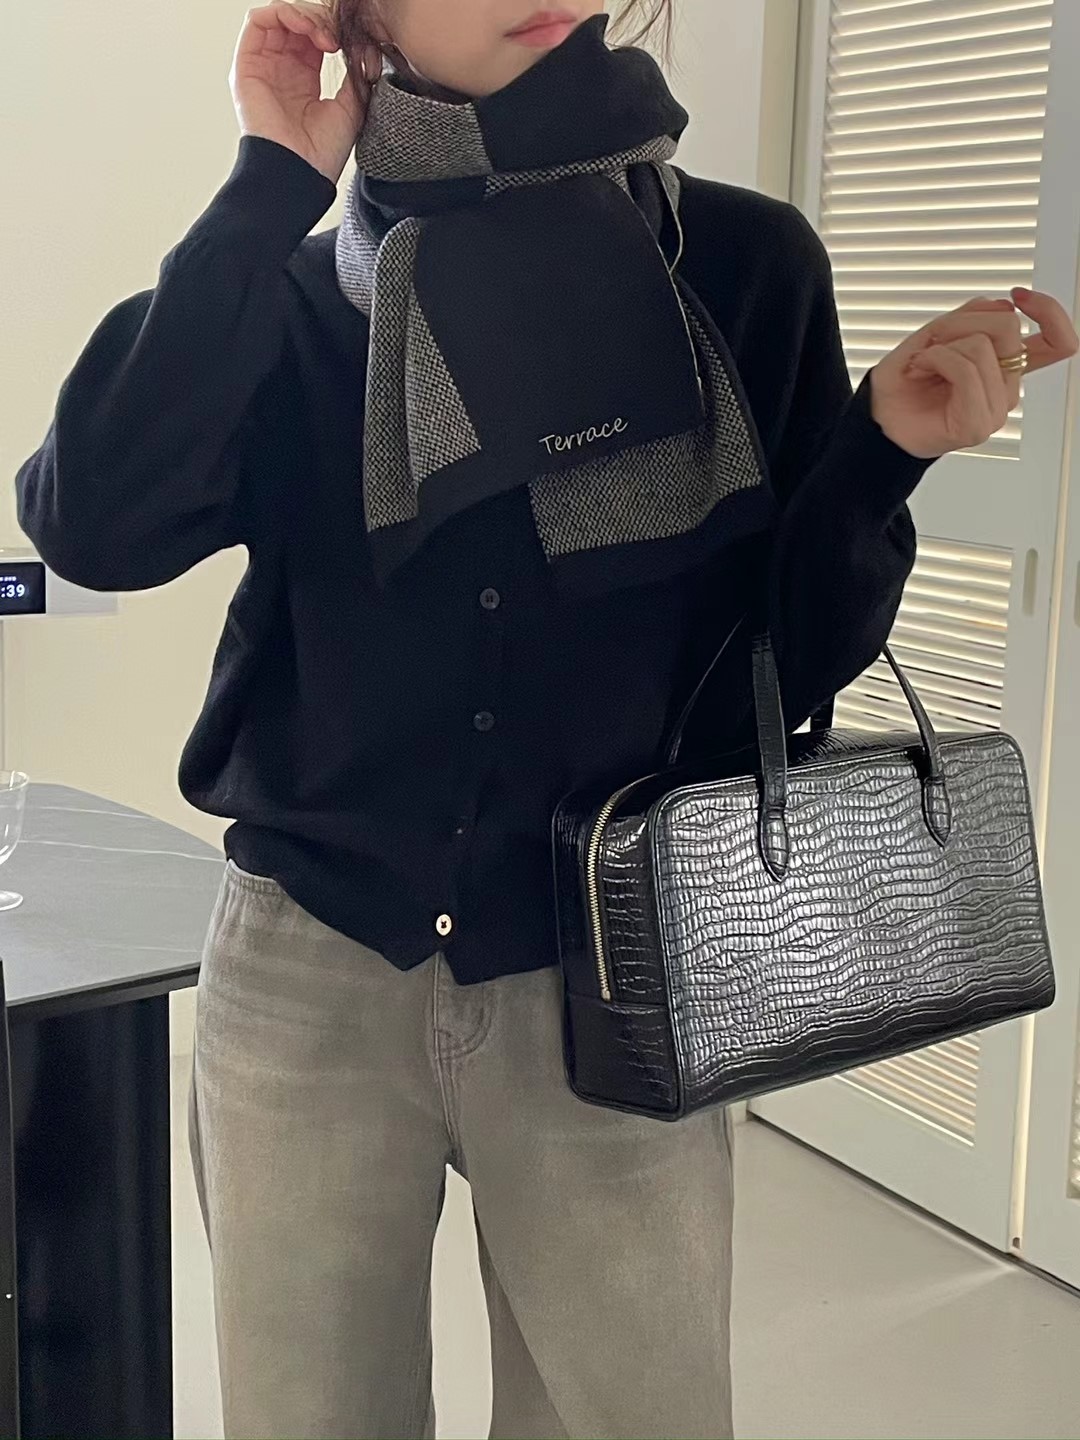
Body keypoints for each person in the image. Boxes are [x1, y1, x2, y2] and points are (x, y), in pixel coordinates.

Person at [15, 2, 1078, 1437]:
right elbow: (93, 523)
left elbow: (786, 666)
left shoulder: (740, 267)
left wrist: (879, 454)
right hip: (315, 962)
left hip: (616, 969)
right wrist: (268, 184)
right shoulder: (300, 291)